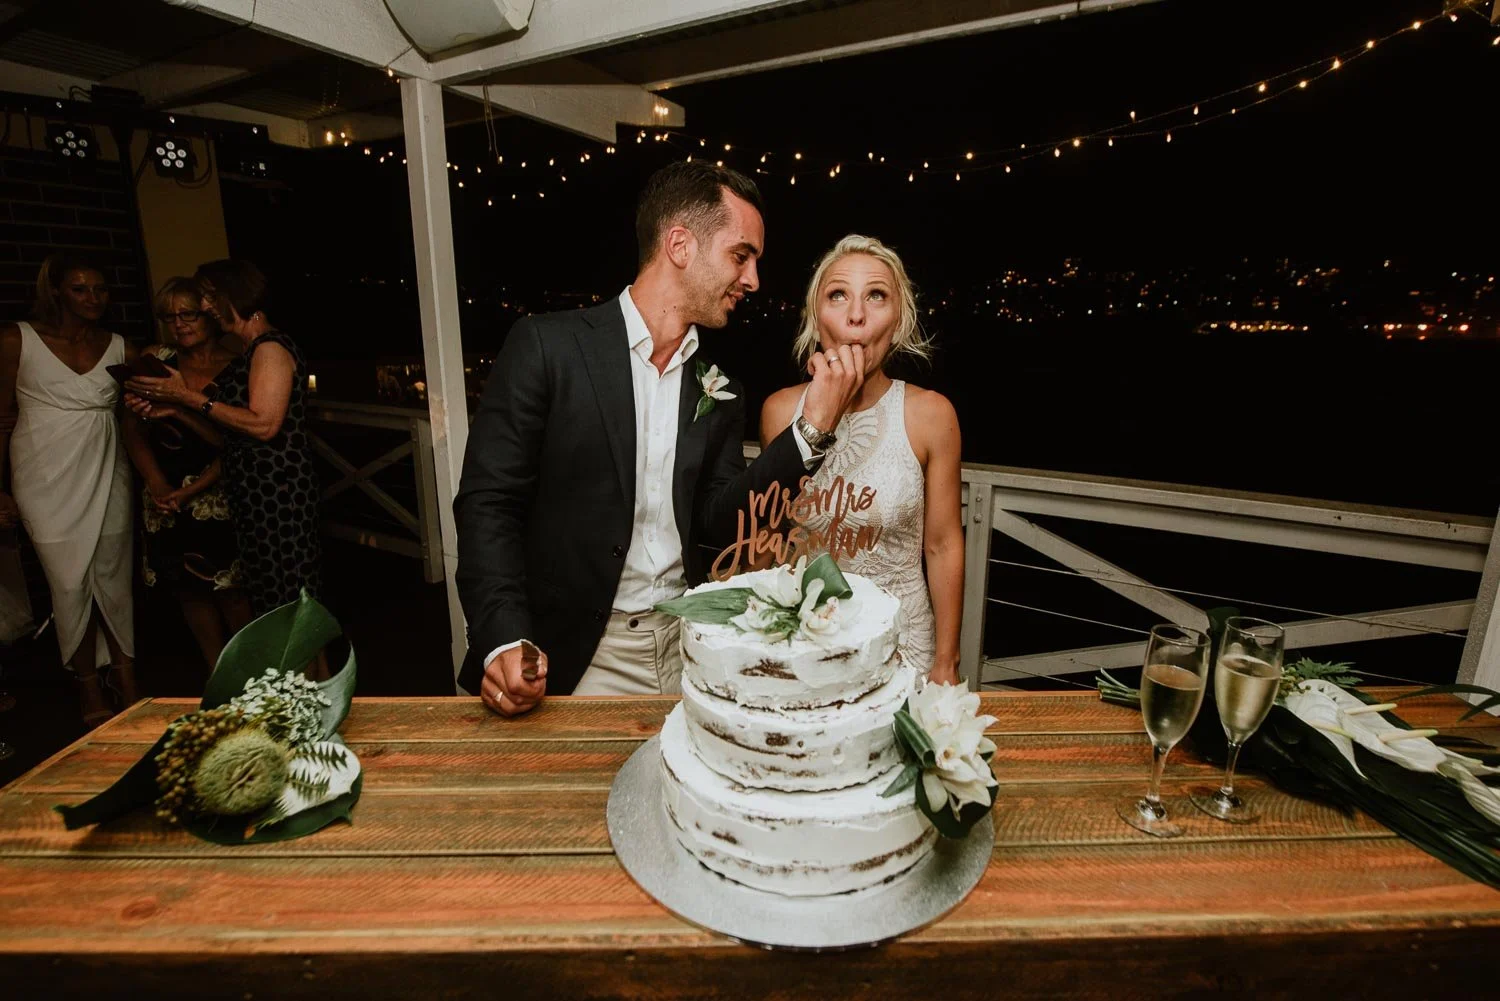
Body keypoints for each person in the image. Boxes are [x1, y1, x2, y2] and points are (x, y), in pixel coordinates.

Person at [455, 161, 865, 716]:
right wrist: (505, 636)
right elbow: (489, 505)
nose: (752, 281)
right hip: (575, 655)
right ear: (680, 244)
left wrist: (809, 430)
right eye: (740, 256)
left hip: (687, 643)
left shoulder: (719, 389)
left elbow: (722, 524)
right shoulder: (548, 348)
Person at [760, 235, 964, 686]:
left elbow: (944, 545)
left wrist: (946, 663)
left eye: (876, 295)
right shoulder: (778, 412)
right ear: (816, 319)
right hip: (808, 645)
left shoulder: (932, 415)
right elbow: (770, 543)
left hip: (902, 647)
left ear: (899, 322)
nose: (856, 314)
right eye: (838, 295)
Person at [124, 260, 322, 620]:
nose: (204, 307)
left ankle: (304, 676)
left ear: (233, 296)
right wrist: (174, 412)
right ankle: (287, 675)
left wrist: (187, 398)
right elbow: (232, 432)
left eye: (207, 298)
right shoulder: (253, 349)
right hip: (255, 491)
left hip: (276, 492)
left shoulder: (269, 348)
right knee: (275, 599)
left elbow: (264, 426)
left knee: (290, 603)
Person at [0, 253, 138, 724]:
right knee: (67, 582)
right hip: (43, 475)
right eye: (81, 289)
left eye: (101, 289)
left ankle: (126, 679)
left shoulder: (120, 346)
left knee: (115, 578)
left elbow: (138, 416)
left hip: (107, 468)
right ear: (57, 291)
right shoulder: (16, 339)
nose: (93, 299)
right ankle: (87, 688)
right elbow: (1, 419)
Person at [123, 277, 251, 671]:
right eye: (169, 316)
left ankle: (249, 676)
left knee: (231, 589)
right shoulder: (154, 360)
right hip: (164, 491)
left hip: (220, 490)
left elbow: (236, 443)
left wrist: (180, 408)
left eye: (188, 314)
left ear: (210, 315)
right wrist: (156, 483)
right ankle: (216, 674)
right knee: (187, 589)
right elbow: (131, 428)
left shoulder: (237, 366)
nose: (179, 324)